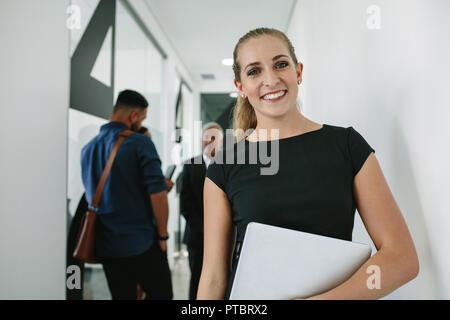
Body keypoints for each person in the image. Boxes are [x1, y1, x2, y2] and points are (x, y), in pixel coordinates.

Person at [197, 28, 419, 300]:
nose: (271, 79)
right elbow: (213, 278)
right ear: (241, 88)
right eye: (254, 71)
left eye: (281, 64)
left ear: (298, 71)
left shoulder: (347, 145)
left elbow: (401, 258)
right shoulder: (225, 165)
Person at [81, 89, 172, 300]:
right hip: (141, 242)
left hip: (107, 244)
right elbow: (158, 195)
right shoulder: (140, 142)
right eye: (142, 118)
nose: (141, 123)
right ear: (134, 116)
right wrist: (163, 235)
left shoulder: (88, 148)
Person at [180, 122, 224, 300]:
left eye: (214, 138)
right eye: (206, 138)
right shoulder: (190, 165)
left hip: (223, 236)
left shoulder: (229, 165)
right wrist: (203, 227)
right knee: (197, 279)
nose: (210, 141)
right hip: (197, 236)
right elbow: (185, 204)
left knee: (222, 279)